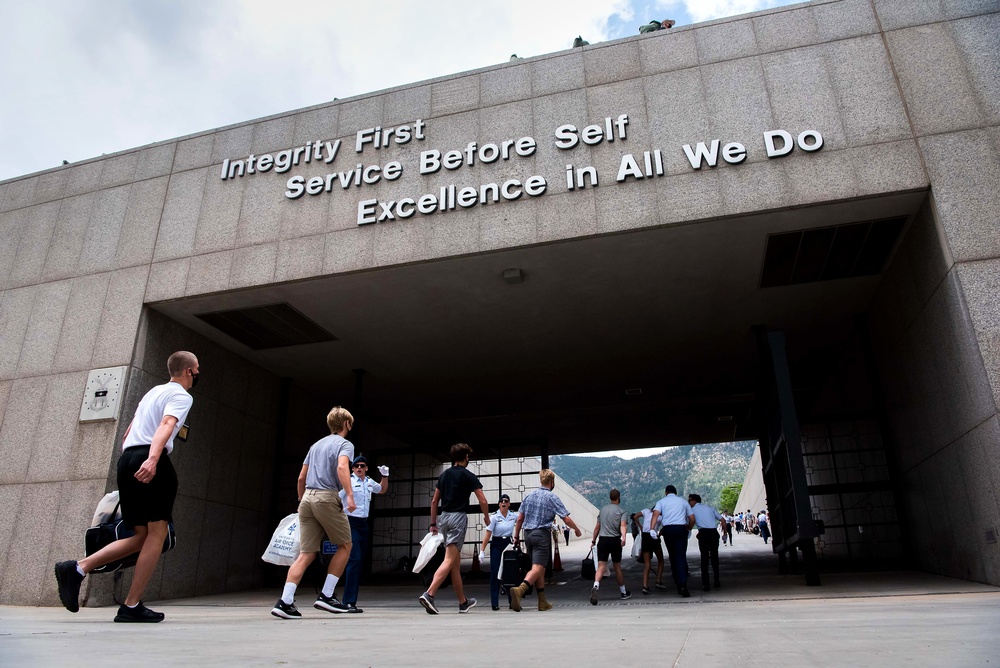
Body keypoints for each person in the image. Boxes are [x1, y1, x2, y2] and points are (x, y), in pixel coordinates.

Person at [54, 351, 199, 623]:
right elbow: (167, 425)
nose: (197, 376)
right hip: (149, 459)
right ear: (190, 371)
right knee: (158, 532)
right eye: (197, 370)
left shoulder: (152, 393)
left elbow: (129, 430)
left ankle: (77, 569)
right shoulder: (181, 396)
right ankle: (132, 605)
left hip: (128, 458)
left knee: (140, 536)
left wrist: (139, 458)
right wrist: (154, 459)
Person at [270, 406, 357, 619]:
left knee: (306, 553)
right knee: (345, 545)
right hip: (327, 497)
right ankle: (327, 595)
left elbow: (301, 477)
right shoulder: (345, 444)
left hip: (307, 498)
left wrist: (302, 500)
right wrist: (350, 495)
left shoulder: (316, 445)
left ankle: (285, 601)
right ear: (346, 424)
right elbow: (342, 468)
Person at [419, 443, 491, 615]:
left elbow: (435, 501)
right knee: (450, 560)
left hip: (443, 518)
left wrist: (433, 523)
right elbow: (482, 499)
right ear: (466, 457)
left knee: (455, 564)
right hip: (458, 518)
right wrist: (487, 517)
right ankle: (429, 594)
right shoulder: (468, 475)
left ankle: (463, 602)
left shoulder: (444, 475)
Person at [510, 469, 582, 612]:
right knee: (537, 568)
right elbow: (565, 517)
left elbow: (519, 519)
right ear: (552, 482)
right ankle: (520, 590)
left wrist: (517, 537)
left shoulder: (529, 496)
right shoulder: (552, 497)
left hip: (528, 535)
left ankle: (542, 601)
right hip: (541, 535)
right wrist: (577, 529)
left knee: (539, 569)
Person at [336, 454, 389, 613]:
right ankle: (348, 602)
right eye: (356, 466)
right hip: (350, 522)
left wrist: (385, 476)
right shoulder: (349, 481)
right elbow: (336, 499)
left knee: (359, 562)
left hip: (364, 524)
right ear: (352, 468)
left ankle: (350, 601)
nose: (359, 468)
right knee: (354, 560)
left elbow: (382, 489)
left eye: (362, 466)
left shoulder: (368, 482)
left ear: (366, 468)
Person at [649, 484, 694, 597]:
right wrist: (689, 528)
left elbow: (655, 514)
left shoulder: (661, 502)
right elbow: (692, 518)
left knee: (672, 556)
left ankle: (678, 583)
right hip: (681, 529)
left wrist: (652, 529)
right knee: (681, 556)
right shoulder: (683, 502)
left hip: (668, 530)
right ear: (676, 492)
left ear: (666, 492)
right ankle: (683, 583)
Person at [589, 489, 631, 604]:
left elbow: (597, 527)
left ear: (610, 497)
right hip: (614, 541)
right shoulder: (622, 511)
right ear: (619, 498)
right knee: (617, 566)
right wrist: (623, 538)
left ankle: (596, 585)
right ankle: (623, 592)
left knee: (601, 566)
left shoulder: (602, 510)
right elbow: (623, 526)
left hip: (602, 540)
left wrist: (593, 540)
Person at [479, 493, 517, 610]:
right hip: (496, 544)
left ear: (509, 504)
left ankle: (512, 601)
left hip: (508, 545)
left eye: (506, 501)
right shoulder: (494, 517)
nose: (504, 503)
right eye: (501, 501)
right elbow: (488, 534)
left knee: (509, 573)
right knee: (495, 572)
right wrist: (482, 550)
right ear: (499, 504)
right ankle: (494, 603)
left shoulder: (513, 516)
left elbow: (522, 519)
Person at [688, 494, 723, 592]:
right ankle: (716, 580)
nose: (689, 502)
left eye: (689, 500)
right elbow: (723, 520)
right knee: (715, 558)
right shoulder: (710, 508)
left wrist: (689, 529)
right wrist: (725, 534)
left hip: (703, 533)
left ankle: (706, 584)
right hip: (713, 533)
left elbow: (692, 520)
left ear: (694, 501)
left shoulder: (692, 510)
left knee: (704, 559)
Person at [632, 507, 667, 594]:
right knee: (661, 560)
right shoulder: (660, 516)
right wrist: (660, 534)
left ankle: (645, 586)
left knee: (647, 563)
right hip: (654, 536)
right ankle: (658, 581)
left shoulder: (646, 511)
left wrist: (641, 527)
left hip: (645, 536)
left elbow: (635, 517)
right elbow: (666, 526)